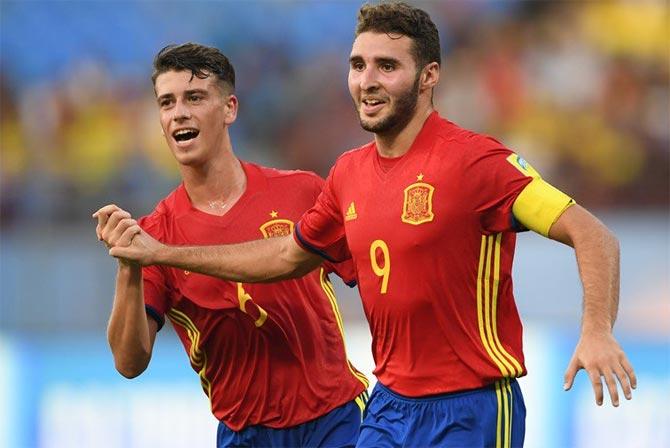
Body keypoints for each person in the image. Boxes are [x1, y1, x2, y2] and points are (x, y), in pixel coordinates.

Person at [103, 3, 637, 447]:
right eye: (358, 65)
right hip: (387, 408)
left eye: (387, 66)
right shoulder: (347, 174)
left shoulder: (477, 162)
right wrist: (160, 254)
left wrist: (596, 329)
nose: (367, 81)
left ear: (429, 76)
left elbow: (592, 233)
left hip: (469, 406)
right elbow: (287, 256)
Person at [93, 43, 369, 448]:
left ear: (229, 109)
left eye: (195, 97)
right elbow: (128, 361)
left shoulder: (302, 191)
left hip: (337, 422)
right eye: (166, 103)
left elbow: (372, 272)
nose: (179, 113)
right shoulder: (155, 233)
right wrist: (128, 266)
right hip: (246, 435)